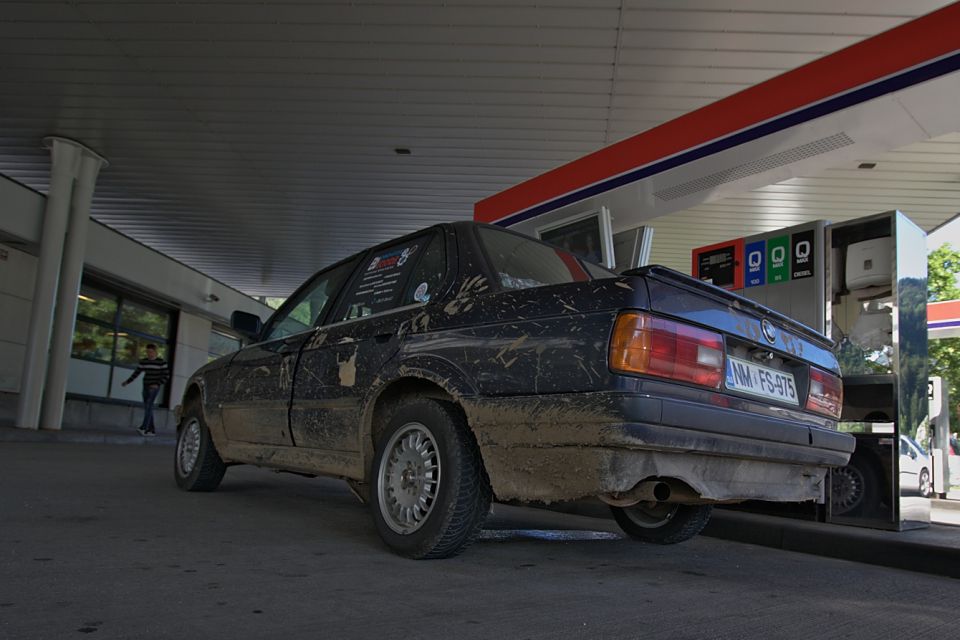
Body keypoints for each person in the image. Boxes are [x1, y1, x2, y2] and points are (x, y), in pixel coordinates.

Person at [121, 344, 169, 436]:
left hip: (154, 387)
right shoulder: (144, 362)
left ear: (156, 352)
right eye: (147, 352)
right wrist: (127, 382)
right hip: (146, 386)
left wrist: (157, 384)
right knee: (148, 407)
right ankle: (151, 430)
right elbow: (137, 373)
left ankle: (144, 427)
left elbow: (166, 376)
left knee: (149, 405)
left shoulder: (161, 362)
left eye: (151, 352)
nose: (149, 354)